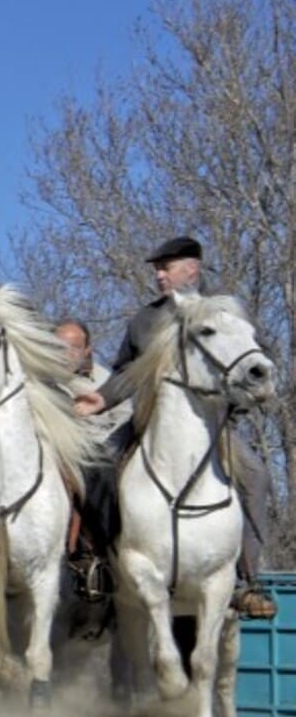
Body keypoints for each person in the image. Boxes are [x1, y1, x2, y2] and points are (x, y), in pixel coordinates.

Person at [74, 236, 275, 617]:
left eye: (166, 268)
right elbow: (125, 372)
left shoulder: (225, 314)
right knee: (95, 469)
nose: (159, 276)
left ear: (192, 269)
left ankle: (247, 580)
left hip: (211, 425)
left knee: (256, 476)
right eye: (157, 270)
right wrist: (101, 399)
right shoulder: (145, 320)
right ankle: (98, 565)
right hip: (147, 421)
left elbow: (251, 364)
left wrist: (240, 406)